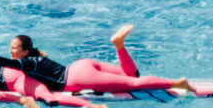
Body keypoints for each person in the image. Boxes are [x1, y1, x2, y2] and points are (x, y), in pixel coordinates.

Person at [41, 24, 199, 98]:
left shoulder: (22, 72)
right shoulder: (35, 59)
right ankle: (119, 45)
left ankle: (177, 83)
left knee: (134, 85)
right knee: (132, 77)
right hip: (80, 65)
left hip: (77, 79)